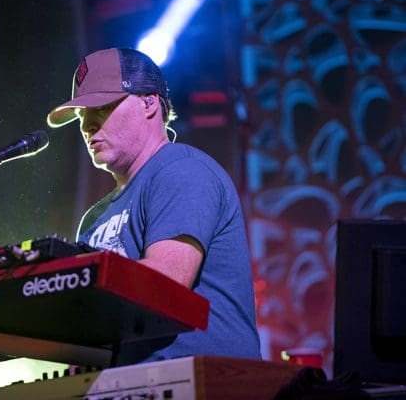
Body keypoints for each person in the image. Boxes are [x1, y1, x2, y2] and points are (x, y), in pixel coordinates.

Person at [47, 47, 261, 365]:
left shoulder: (181, 170)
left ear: (148, 103)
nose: (86, 125)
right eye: (81, 115)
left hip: (205, 377)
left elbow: (167, 284)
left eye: (100, 108)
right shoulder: (94, 217)